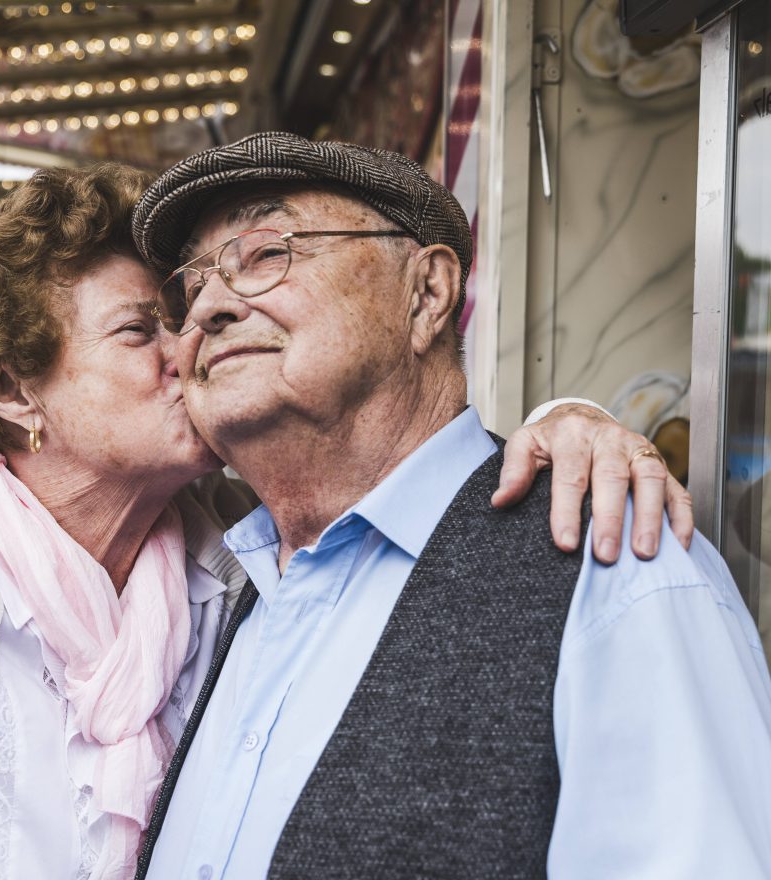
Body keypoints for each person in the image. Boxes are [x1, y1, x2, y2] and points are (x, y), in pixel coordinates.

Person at [0, 163, 689, 880]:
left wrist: (572, 422)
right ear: (14, 389)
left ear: (429, 292)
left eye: (185, 313)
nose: (194, 338)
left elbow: (406, 467)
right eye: (142, 331)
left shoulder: (236, 558)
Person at [130, 132, 771, 879]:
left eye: (267, 252)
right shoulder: (221, 588)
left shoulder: (613, 553)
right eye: (191, 285)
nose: (208, 306)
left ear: (428, 293)